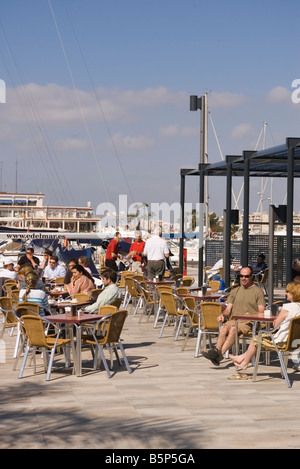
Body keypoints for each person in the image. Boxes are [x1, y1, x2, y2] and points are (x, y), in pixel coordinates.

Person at [202, 265, 266, 366]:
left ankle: (218, 354)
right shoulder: (235, 290)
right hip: (234, 319)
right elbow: (228, 309)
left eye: (246, 276)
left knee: (232, 329)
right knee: (223, 327)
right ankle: (217, 352)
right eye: (241, 276)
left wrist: (251, 315)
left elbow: (262, 312)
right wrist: (222, 314)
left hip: (248, 322)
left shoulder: (258, 292)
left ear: (252, 276)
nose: (243, 278)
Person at [229, 281, 300, 370]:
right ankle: (242, 358)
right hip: (295, 342)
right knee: (258, 338)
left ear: (293, 293)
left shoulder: (287, 307)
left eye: (288, 292)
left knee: (256, 338)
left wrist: (276, 323)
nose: (286, 293)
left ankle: (244, 363)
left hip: (282, 341)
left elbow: (276, 326)